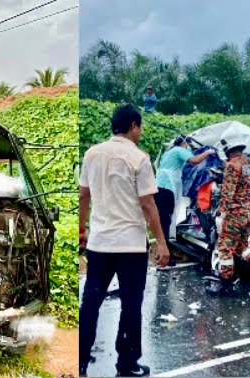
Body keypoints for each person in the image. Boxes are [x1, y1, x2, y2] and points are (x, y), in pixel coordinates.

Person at [78, 103, 170, 377]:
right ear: (133, 126)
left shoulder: (92, 154)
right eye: (139, 127)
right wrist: (162, 243)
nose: (140, 132)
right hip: (130, 245)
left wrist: (82, 230)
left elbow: (84, 195)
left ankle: (80, 363)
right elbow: (148, 204)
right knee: (131, 304)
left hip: (99, 244)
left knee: (91, 302)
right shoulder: (139, 158)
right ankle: (127, 364)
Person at [205, 138, 250, 296]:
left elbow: (228, 193)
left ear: (229, 152)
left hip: (236, 214)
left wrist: (222, 213)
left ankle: (225, 285)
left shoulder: (232, 165)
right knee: (242, 247)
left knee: (224, 248)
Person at [154, 136, 214, 266]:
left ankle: (164, 253)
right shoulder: (178, 150)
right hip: (166, 187)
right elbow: (194, 160)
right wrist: (208, 152)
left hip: (160, 187)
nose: (189, 148)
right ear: (184, 144)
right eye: (188, 146)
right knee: (165, 221)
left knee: (163, 220)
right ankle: (164, 256)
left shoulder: (169, 152)